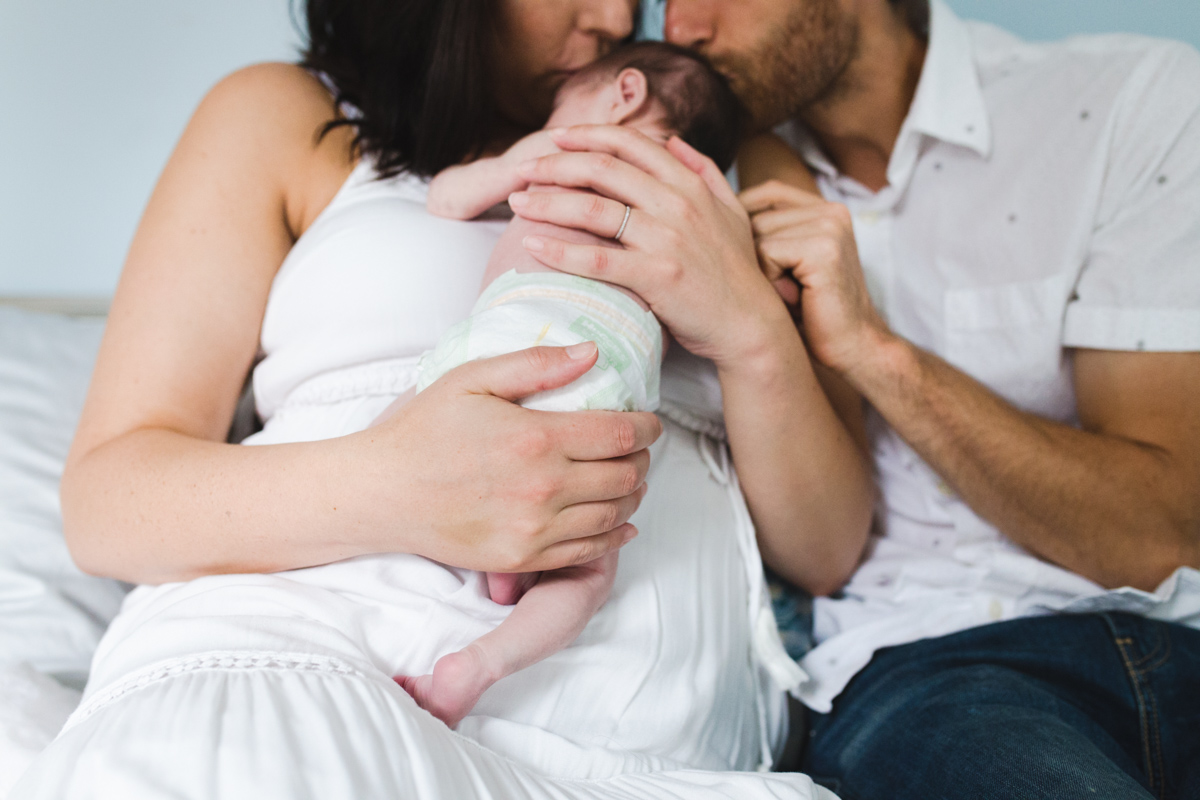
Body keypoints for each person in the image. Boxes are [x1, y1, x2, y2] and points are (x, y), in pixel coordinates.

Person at [13, 1, 870, 797]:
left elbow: (827, 551)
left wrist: (750, 329)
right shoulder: (287, 116)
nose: (614, 17)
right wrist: (399, 484)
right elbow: (107, 506)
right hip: (325, 662)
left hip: (661, 744)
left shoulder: (722, 151)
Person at [503, 0, 1199, 797]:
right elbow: (825, 553)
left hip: (1177, 637)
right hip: (938, 668)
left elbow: (1163, 540)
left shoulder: (1126, 103)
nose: (682, 28)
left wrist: (875, 351)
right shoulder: (705, 170)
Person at [388, 41, 745, 729]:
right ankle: (481, 664)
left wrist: (509, 164)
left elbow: (448, 196)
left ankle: (477, 556)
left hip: (506, 336)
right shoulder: (701, 212)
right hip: (611, 370)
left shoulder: (570, 146)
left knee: (391, 445)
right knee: (586, 569)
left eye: (562, 99)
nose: (555, 115)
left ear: (625, 92)